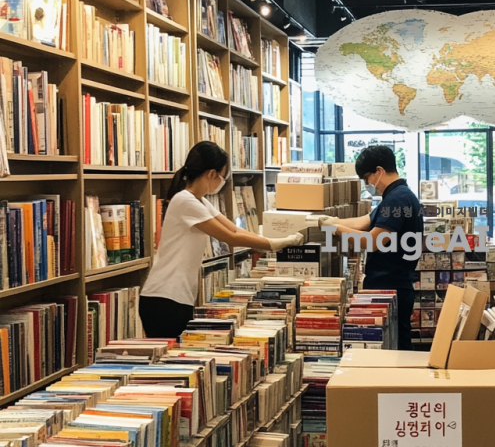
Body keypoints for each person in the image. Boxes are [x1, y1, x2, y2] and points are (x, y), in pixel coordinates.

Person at [139, 141, 303, 339]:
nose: (222, 182)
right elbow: (231, 238)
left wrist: (272, 240)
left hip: (174, 297)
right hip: (164, 297)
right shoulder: (185, 200)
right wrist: (277, 244)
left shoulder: (199, 200)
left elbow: (234, 228)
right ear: (211, 174)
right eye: (223, 176)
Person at [316, 145, 422, 350]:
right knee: (395, 344)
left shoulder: (397, 199)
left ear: (379, 171)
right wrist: (333, 220)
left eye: (367, 178)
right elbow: (365, 221)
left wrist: (335, 229)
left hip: (391, 287)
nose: (367, 184)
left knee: (395, 348)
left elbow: (373, 241)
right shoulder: (398, 195)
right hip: (395, 285)